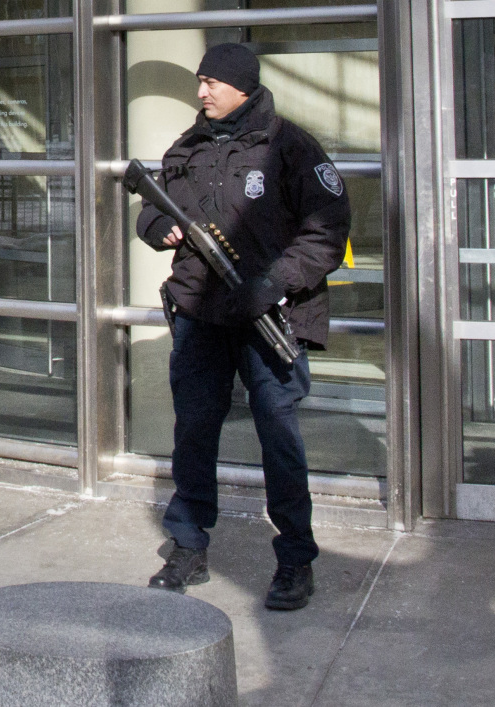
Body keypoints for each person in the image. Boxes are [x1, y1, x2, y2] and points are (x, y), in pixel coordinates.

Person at [136, 43, 351, 610]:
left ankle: (295, 559)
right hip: (201, 314)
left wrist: (274, 281)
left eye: (210, 82)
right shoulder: (186, 146)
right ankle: (187, 545)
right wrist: (157, 226)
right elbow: (153, 208)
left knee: (278, 437)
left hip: (269, 314)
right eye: (199, 81)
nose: (201, 91)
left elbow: (328, 229)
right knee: (195, 429)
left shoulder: (291, 146)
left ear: (241, 87)